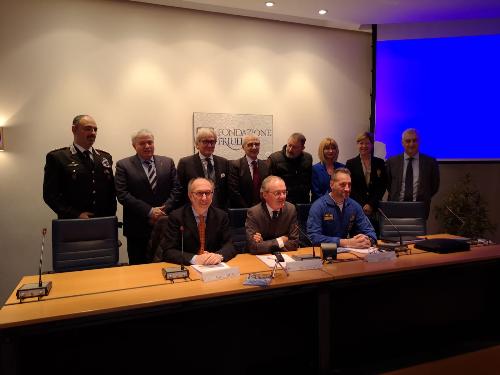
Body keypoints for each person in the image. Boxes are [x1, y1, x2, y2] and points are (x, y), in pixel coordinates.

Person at [115, 129, 182, 264]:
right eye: (142, 143)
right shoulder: (123, 165)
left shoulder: (168, 162)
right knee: (138, 266)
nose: (147, 146)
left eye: (150, 142)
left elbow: (177, 189)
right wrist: (150, 211)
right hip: (137, 227)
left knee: (166, 263)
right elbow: (122, 194)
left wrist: (162, 211)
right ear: (134, 146)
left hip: (165, 224)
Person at [43, 114, 116, 219]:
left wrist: (110, 217)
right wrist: (75, 214)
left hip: (103, 221)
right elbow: (50, 195)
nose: (93, 133)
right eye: (88, 129)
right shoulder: (58, 157)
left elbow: (111, 192)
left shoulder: (105, 157)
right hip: (72, 223)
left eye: (95, 130)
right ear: (74, 129)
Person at [155, 178, 237, 265]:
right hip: (188, 268)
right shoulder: (176, 217)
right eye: (199, 193)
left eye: (208, 193)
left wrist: (218, 256)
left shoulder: (221, 216)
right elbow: (168, 251)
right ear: (190, 195)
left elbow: (230, 245)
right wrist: (195, 259)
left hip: (213, 268)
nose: (204, 198)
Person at [307, 168, 376, 248]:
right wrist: (345, 242)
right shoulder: (318, 206)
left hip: (349, 253)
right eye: (342, 184)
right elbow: (313, 237)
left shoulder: (354, 206)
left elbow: (370, 232)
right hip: (325, 253)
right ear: (331, 184)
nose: (347, 189)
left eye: (349, 185)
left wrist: (367, 240)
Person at [386, 128, 440, 219]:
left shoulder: (430, 162)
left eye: (414, 140)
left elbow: (434, 186)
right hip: (396, 207)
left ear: (419, 142)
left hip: (419, 209)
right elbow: (388, 183)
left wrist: (423, 196)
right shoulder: (392, 161)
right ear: (402, 143)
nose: (411, 144)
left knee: (418, 233)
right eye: (408, 141)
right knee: (396, 233)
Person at [245, 176, 299, 255]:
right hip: (257, 260)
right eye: (277, 193)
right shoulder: (254, 213)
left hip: (284, 257)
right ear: (265, 195)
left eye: (284, 192)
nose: (282, 196)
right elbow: (254, 247)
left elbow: (294, 243)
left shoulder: (291, 209)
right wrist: (280, 241)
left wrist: (264, 244)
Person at [345, 132, 387, 233]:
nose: (364, 146)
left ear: (372, 145)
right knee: (357, 236)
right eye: (361, 143)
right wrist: (362, 205)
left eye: (367, 143)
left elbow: (382, 186)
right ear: (357, 145)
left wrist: (371, 204)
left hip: (375, 209)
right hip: (357, 207)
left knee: (374, 235)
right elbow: (350, 187)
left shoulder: (380, 162)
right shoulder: (350, 163)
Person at [177, 127, 229, 209]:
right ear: (197, 144)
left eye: (212, 142)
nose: (209, 145)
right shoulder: (185, 163)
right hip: (194, 211)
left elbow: (227, 190)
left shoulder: (224, 162)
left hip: (219, 212)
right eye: (205, 142)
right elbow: (180, 191)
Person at [267, 132, 312, 204]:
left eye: (295, 147)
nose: (290, 149)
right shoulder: (274, 159)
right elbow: (269, 184)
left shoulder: (308, 158)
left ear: (302, 148)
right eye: (289, 145)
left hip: (302, 202)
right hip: (282, 202)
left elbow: (309, 180)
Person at [228, 134, 270, 208]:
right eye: (250, 145)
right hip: (242, 210)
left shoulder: (266, 166)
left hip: (263, 209)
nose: (254, 147)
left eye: (257, 144)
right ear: (243, 147)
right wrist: (248, 209)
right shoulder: (235, 166)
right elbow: (234, 192)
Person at [311, 137, 345, 202]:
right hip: (320, 205)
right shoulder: (315, 169)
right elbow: (316, 192)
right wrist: (329, 202)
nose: (331, 151)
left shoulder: (342, 168)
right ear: (322, 150)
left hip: (340, 204)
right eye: (327, 148)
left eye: (333, 148)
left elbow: (345, 188)